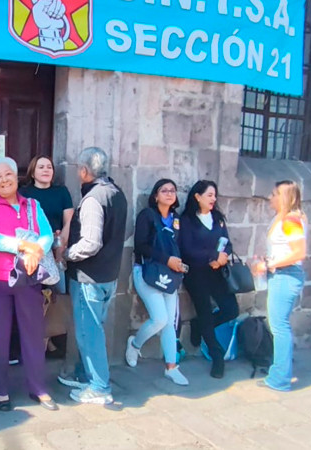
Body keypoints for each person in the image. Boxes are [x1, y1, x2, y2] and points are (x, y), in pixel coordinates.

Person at [0, 157, 57, 412]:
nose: (4, 180)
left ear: (17, 177)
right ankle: (1, 390)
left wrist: (36, 251)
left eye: (8, 174)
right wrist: (23, 246)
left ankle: (38, 387)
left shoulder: (32, 205)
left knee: (33, 334)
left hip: (28, 278)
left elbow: (46, 234)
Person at [64, 147, 127, 405]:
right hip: (108, 275)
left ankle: (100, 387)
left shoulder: (93, 199)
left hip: (89, 277)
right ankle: (85, 375)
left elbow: (90, 243)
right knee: (94, 329)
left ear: (84, 170)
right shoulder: (116, 192)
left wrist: (67, 254)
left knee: (89, 334)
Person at [19, 155, 80, 387]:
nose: (46, 170)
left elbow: (68, 222)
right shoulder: (25, 193)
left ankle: (49, 340)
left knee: (56, 296)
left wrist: (60, 249)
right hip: (32, 253)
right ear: (32, 171)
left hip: (56, 251)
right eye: (41, 167)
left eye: (49, 167)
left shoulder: (61, 192)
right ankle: (35, 343)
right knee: (33, 299)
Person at [126, 178, 189, 386]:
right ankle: (135, 344)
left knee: (170, 322)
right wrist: (166, 259)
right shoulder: (147, 215)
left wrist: (178, 263)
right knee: (160, 319)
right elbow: (141, 246)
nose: (169, 194)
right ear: (155, 196)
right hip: (147, 272)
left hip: (170, 275)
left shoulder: (176, 219)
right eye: (164, 190)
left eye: (172, 190)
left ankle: (171, 367)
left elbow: (179, 247)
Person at [179, 180, 239, 378]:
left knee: (231, 309)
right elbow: (187, 249)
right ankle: (217, 356)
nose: (213, 199)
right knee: (204, 311)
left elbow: (227, 243)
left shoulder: (217, 218)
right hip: (196, 274)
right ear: (198, 197)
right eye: (209, 195)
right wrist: (212, 257)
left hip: (217, 272)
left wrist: (222, 257)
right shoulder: (187, 220)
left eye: (215, 195)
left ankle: (199, 325)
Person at [252, 180, 306, 391]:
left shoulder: (291, 220)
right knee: (279, 326)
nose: (270, 197)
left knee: (279, 327)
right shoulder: (282, 218)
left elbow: (299, 252)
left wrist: (269, 264)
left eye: (275, 194)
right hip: (281, 275)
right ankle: (279, 372)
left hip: (286, 275)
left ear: (285, 197)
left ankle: (280, 378)